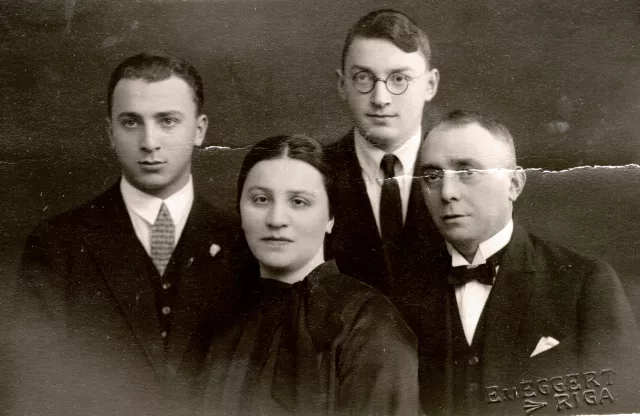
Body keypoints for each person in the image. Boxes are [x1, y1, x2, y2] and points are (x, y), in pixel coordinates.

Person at [15, 52, 242, 415]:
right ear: (110, 132)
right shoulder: (57, 245)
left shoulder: (242, 242)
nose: (149, 141)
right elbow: (34, 386)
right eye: (131, 122)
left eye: (167, 121)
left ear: (199, 130)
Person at [407, 109, 640, 415]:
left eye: (467, 172)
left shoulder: (586, 283)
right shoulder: (405, 289)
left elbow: (620, 406)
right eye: (433, 176)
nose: (447, 193)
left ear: (514, 184)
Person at [196, 134, 420, 416]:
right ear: (240, 210)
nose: (276, 219)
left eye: (299, 202)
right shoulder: (224, 320)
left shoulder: (368, 323)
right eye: (261, 199)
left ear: (330, 218)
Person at [325, 9, 443, 295]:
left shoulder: (462, 174)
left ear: (430, 85)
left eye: (399, 79)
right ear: (342, 84)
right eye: (363, 78)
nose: (380, 99)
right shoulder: (314, 173)